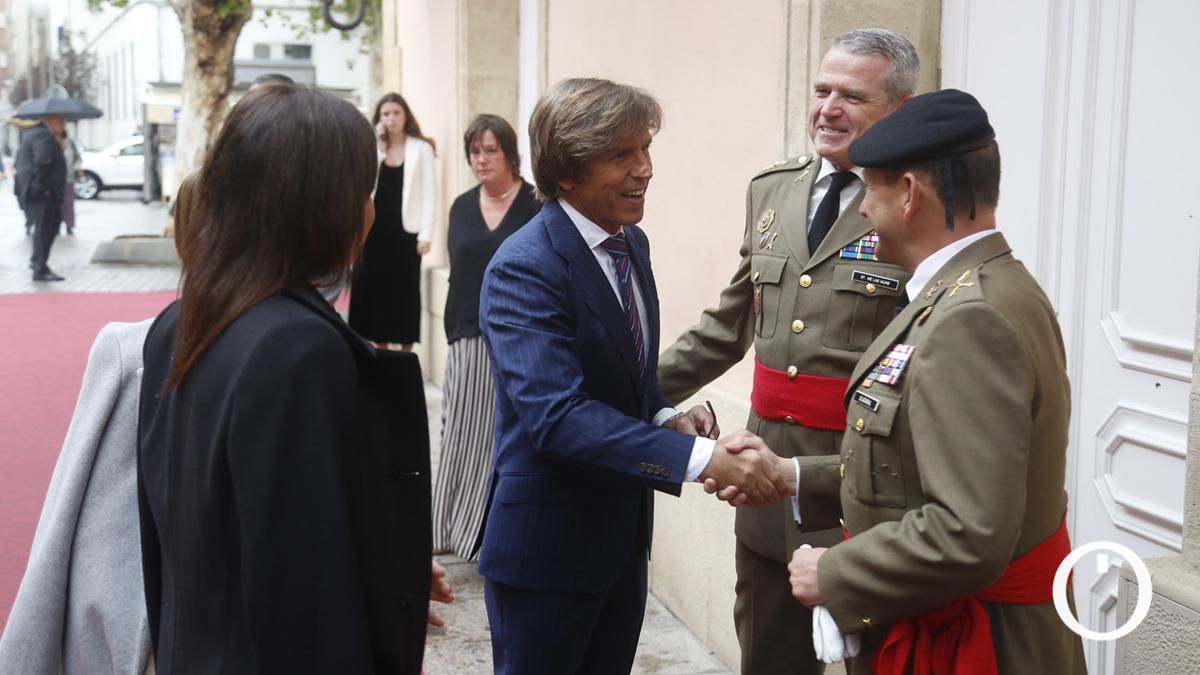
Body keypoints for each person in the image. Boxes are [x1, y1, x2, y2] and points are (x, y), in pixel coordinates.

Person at [475, 77, 790, 675]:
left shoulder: (631, 244)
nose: (644, 169)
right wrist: (701, 461)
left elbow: (626, 375)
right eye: (621, 155)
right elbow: (557, 417)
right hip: (548, 554)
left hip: (620, 547)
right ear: (565, 170)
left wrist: (668, 414)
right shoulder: (525, 267)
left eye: (646, 150)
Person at [785, 89, 1086, 674]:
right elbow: (912, 467)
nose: (863, 209)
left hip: (976, 648)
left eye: (869, 188)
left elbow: (968, 530)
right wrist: (794, 476)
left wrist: (834, 574)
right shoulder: (986, 287)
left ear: (909, 194)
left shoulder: (970, 317)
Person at [137, 84, 434, 673]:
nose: (371, 210)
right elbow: (308, 596)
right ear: (325, 205)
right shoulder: (297, 349)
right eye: (364, 191)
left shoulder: (182, 320)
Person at [654, 27, 918, 674]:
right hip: (766, 481)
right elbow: (727, 324)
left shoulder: (915, 202)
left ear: (900, 111)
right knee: (769, 660)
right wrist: (629, 393)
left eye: (851, 96)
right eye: (821, 89)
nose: (827, 108)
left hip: (864, 484)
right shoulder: (771, 189)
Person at [431, 114, 540, 559]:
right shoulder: (460, 206)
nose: (481, 159)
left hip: (519, 335)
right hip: (467, 332)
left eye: (490, 150)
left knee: (499, 436)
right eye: (474, 151)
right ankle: (445, 529)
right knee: (459, 431)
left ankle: (480, 535)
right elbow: (459, 274)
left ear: (510, 153)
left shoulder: (536, 202)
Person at [349, 93, 438, 350]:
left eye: (396, 112)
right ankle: (381, 350)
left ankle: (406, 354)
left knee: (405, 294)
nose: (391, 118)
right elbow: (365, 185)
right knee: (375, 293)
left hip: (406, 235)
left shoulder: (421, 148)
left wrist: (426, 235)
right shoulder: (373, 149)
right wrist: (379, 148)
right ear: (378, 118)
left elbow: (430, 193)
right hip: (373, 234)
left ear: (406, 115)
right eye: (385, 114)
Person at [15, 113, 68, 281]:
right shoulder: (43, 135)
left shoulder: (35, 134)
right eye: (61, 120)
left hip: (36, 190)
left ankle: (38, 262)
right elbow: (42, 161)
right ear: (51, 120)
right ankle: (40, 267)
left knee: (44, 228)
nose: (63, 123)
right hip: (43, 193)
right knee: (45, 229)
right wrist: (42, 188)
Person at [61, 129, 83, 235]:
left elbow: (78, 159)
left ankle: (69, 225)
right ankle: (56, 225)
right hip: (55, 181)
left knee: (69, 203)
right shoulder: (51, 143)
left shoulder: (70, 144)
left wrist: (75, 168)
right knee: (56, 204)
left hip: (69, 179)